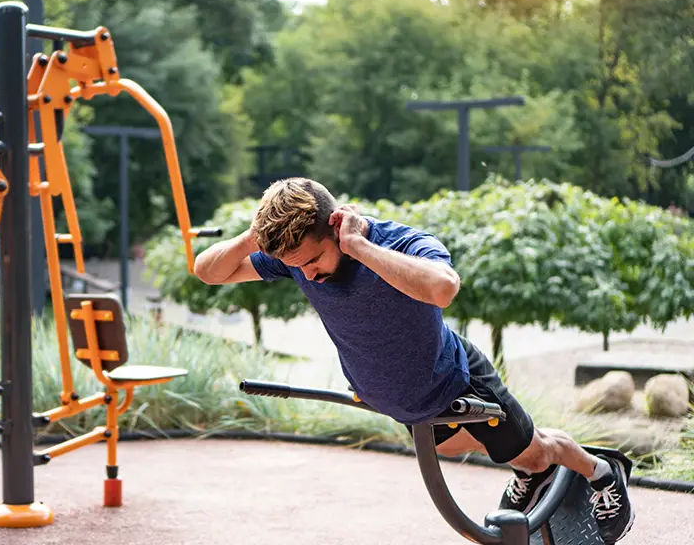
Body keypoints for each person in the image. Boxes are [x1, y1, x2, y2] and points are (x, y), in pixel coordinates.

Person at [193, 177, 634, 544]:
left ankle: (600, 471)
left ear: (335, 226)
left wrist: (360, 249)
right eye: (297, 266)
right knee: (474, 448)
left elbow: (443, 288)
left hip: (458, 383)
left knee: (535, 454)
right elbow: (207, 272)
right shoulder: (294, 259)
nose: (307, 275)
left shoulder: (396, 241)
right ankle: (525, 470)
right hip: (405, 402)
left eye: (312, 260)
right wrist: (253, 238)